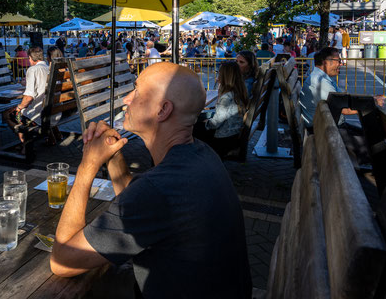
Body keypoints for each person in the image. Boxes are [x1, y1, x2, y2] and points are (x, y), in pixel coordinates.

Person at [50, 62, 252, 299]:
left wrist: (87, 165)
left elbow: (63, 261)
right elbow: (141, 204)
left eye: (136, 91)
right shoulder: (203, 154)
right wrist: (112, 156)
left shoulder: (159, 189)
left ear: (162, 110)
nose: (126, 99)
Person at [299, 47, 382, 164]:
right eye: (338, 60)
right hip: (326, 130)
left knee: (373, 137)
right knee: (376, 145)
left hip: (329, 125)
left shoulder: (322, 78)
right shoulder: (320, 82)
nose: (341, 64)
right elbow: (345, 109)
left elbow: (344, 99)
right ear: (325, 62)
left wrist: (371, 99)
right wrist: (373, 103)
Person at [194, 62, 248, 157]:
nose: (217, 76)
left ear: (225, 77)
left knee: (192, 128)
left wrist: (207, 123)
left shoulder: (227, 97)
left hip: (224, 139)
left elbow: (216, 123)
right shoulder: (238, 92)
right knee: (198, 122)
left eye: (219, 73)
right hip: (233, 135)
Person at [3, 47, 49, 146]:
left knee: (7, 114)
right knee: (17, 110)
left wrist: (19, 108)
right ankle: (26, 142)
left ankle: (25, 145)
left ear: (30, 58)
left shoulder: (33, 70)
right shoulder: (49, 68)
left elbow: (28, 97)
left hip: (38, 116)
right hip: (53, 113)